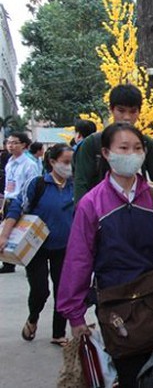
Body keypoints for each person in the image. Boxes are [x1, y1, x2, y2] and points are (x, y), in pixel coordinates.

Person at [57, 123, 153, 387]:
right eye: (123, 148)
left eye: (137, 148)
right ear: (106, 152)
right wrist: (75, 315)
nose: (131, 154)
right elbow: (78, 260)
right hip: (116, 311)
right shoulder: (91, 204)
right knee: (128, 377)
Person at [0, 144, 75, 346]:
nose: (69, 167)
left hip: (64, 247)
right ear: (52, 162)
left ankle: (58, 333)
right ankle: (33, 317)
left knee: (63, 290)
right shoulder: (38, 184)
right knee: (41, 290)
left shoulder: (75, 186)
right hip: (37, 246)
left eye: (71, 162)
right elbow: (16, 208)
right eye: (65, 162)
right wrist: (4, 236)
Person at [73, 84, 153, 220]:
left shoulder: (146, 143)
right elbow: (81, 183)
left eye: (133, 111)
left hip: (139, 215)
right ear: (111, 110)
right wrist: (83, 219)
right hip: (101, 217)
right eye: (121, 110)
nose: (127, 117)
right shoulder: (92, 144)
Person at [1, 132, 42, 274]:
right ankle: (8, 262)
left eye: (14, 143)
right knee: (7, 231)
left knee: (21, 232)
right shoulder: (10, 161)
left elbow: (33, 185)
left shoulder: (29, 164)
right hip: (8, 199)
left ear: (24, 145)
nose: (10, 146)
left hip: (20, 201)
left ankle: (30, 262)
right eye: (9, 142)